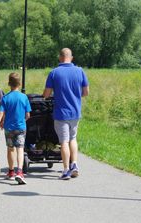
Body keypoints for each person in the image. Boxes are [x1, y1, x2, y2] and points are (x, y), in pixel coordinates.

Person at [43, 48, 89, 180]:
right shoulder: (80, 71)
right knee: (73, 139)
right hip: (75, 112)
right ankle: (74, 164)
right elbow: (86, 92)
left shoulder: (54, 73)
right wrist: (74, 95)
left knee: (64, 141)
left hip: (61, 113)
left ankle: (65, 170)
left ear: (60, 57)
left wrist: (52, 94)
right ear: (71, 57)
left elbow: (46, 94)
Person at [0, 73, 31, 185]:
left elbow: (0, 113)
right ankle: (19, 172)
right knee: (20, 149)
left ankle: (11, 172)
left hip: (8, 128)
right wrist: (23, 120)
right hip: (20, 127)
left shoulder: (5, 98)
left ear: (9, 83)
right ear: (19, 83)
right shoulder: (24, 97)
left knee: (10, 149)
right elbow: (28, 114)